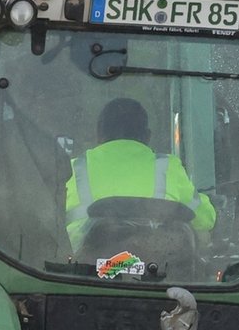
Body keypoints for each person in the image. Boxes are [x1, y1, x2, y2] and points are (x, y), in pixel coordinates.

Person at [64, 97, 216, 247]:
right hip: (157, 263)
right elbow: (206, 219)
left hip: (82, 266)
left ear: (98, 133)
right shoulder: (168, 166)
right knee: (202, 236)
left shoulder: (73, 168)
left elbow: (50, 220)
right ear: (147, 136)